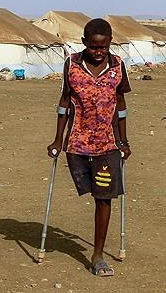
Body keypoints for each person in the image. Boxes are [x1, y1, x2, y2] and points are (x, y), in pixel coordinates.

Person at [47, 18, 132, 277]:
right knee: (88, 191)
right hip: (78, 143)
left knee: (104, 197)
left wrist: (123, 141)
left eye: (104, 47)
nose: (99, 52)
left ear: (109, 44)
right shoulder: (72, 65)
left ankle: (97, 255)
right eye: (94, 47)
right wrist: (58, 139)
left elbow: (120, 104)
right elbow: (64, 101)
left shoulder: (117, 66)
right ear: (84, 43)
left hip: (107, 144)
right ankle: (96, 252)